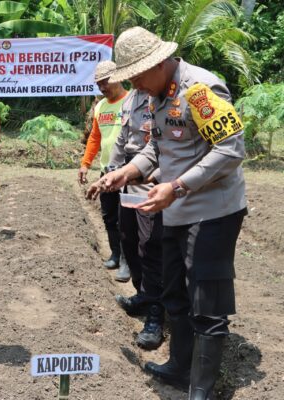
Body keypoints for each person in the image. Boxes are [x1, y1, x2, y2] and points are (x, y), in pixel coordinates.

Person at [99, 27, 247, 399]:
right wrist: (127, 171)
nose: (133, 83)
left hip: (214, 211)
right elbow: (155, 148)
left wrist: (177, 186)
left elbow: (230, 150)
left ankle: (202, 389)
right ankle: (180, 367)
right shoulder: (154, 95)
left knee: (206, 304)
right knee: (174, 293)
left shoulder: (200, 90)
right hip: (176, 209)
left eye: (137, 75)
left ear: (160, 63)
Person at [87, 88, 165, 350]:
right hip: (129, 173)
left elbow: (167, 146)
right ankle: (142, 293)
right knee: (128, 238)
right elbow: (122, 139)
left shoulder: (164, 96)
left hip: (153, 175)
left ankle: (156, 316)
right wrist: (112, 171)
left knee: (150, 245)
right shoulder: (131, 99)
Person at [78, 60, 130, 280]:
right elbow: (95, 138)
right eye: (98, 84)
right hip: (106, 170)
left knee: (127, 219)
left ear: (117, 77)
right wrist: (85, 163)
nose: (102, 88)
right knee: (109, 216)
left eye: (105, 82)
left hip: (129, 172)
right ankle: (115, 254)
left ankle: (128, 261)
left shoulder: (132, 101)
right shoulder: (100, 107)